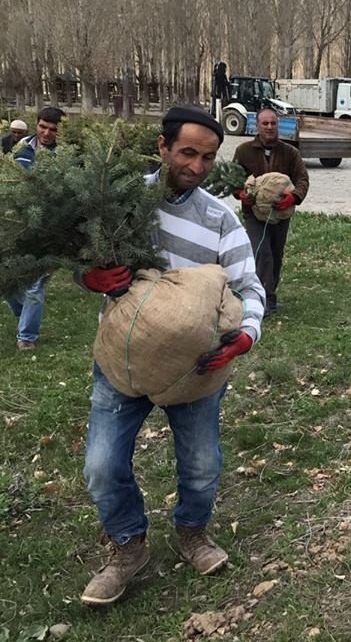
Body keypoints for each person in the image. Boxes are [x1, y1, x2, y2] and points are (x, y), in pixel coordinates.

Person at [78, 106, 266, 607]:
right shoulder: (120, 201)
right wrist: (88, 278)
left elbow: (249, 285)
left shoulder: (220, 219)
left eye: (208, 157)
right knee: (101, 464)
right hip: (122, 362)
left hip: (194, 368)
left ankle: (192, 532)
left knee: (201, 463)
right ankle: (127, 546)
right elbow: (80, 257)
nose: (198, 166)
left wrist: (246, 332)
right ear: (162, 147)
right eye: (188, 152)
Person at [232, 107, 309, 317]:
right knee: (262, 253)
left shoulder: (290, 153)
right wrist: (241, 194)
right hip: (254, 215)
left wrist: (293, 198)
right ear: (257, 125)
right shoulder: (244, 151)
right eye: (264, 123)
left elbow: (302, 179)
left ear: (277, 125)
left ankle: (270, 296)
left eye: (273, 123)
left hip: (280, 215)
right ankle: (259, 299)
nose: (269, 127)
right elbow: (234, 179)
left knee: (276, 254)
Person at [4, 108, 64, 350]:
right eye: (42, 127)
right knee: (9, 283)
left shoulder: (63, 156)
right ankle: (24, 316)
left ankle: (27, 337)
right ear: (36, 124)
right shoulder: (20, 149)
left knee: (35, 284)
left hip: (44, 230)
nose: (46, 133)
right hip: (13, 224)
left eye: (52, 129)